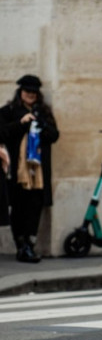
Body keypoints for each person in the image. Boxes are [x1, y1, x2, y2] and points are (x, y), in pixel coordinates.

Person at [0, 75, 60, 263]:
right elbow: (3, 133)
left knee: (35, 206)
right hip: (17, 169)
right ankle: (20, 245)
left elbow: (54, 135)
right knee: (18, 207)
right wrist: (21, 123)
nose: (30, 95)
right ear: (20, 92)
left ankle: (30, 244)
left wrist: (42, 126)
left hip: (38, 170)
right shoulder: (8, 111)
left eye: (33, 93)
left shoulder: (43, 112)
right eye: (27, 92)